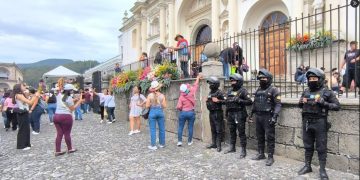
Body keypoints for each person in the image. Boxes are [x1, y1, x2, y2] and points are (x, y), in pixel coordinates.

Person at [298, 68, 340, 179]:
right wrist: (301, 101)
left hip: (320, 121)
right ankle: (307, 166)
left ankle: (322, 169)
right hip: (307, 121)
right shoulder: (306, 91)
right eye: (310, 78)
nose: (312, 80)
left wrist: (324, 103)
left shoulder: (327, 92)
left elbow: (337, 106)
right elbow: (299, 105)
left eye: (314, 78)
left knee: (321, 147)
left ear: (320, 79)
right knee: (308, 145)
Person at [250, 69, 281, 166]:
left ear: (269, 79)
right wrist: (251, 114)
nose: (262, 80)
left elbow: (278, 104)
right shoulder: (258, 89)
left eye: (264, 78)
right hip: (258, 116)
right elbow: (255, 103)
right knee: (259, 136)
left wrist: (274, 116)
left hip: (268, 116)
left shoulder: (274, 90)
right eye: (260, 78)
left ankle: (270, 157)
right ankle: (261, 153)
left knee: (270, 137)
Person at [223, 74, 253, 158]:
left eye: (234, 81)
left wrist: (239, 100)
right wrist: (226, 113)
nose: (232, 82)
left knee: (241, 133)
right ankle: (232, 147)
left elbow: (250, 101)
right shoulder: (229, 91)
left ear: (239, 81)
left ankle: (243, 150)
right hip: (231, 114)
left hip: (239, 113)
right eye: (231, 81)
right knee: (232, 131)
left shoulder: (243, 91)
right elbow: (227, 102)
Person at [53, 83, 83, 156]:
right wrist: (79, 101)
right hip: (66, 116)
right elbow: (72, 109)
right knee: (67, 133)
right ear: (70, 91)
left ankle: (57, 150)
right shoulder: (69, 98)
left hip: (56, 116)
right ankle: (70, 149)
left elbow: (63, 99)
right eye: (72, 91)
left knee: (59, 134)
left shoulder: (59, 95)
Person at [176, 74, 202, 147]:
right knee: (190, 127)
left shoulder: (181, 96)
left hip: (183, 112)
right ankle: (190, 141)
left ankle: (179, 141)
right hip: (191, 112)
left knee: (180, 127)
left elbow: (179, 106)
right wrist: (198, 78)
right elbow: (195, 85)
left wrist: (181, 110)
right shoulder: (192, 92)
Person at [12, 83, 40, 150]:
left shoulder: (21, 94)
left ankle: (27, 144)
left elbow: (27, 101)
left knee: (27, 129)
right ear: (19, 88)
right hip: (22, 113)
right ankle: (21, 145)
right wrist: (35, 96)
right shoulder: (19, 95)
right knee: (23, 129)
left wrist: (30, 95)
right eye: (22, 86)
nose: (24, 87)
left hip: (25, 112)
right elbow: (30, 102)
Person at [145, 81, 167, 150]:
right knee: (162, 129)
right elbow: (164, 106)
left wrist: (152, 104)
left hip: (152, 112)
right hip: (160, 112)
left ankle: (153, 145)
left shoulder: (150, 95)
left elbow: (147, 106)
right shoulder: (162, 95)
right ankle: (162, 144)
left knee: (152, 129)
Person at [206, 76, 225, 152]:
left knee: (218, 129)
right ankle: (214, 143)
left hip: (217, 112)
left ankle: (219, 145)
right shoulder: (210, 92)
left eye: (211, 83)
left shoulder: (219, 92)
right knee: (213, 129)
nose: (209, 85)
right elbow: (209, 99)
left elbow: (226, 101)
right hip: (211, 113)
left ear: (215, 84)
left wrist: (218, 101)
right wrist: (207, 100)